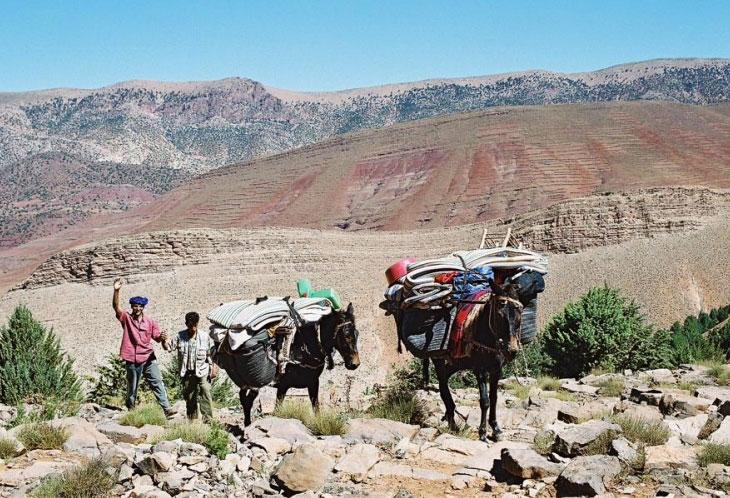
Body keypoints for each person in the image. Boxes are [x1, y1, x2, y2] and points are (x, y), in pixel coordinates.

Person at [112, 278, 174, 417]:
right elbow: (116, 307)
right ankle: (131, 410)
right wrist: (116, 290)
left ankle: (167, 408)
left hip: (148, 357)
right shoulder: (126, 318)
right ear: (132, 306)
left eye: (140, 306)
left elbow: (157, 338)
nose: (137, 308)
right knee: (132, 386)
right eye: (135, 306)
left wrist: (163, 338)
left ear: (143, 307)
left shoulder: (150, 322)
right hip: (132, 358)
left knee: (157, 381)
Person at [164, 312, 217, 421]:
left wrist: (214, 368)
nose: (193, 328)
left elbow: (210, 354)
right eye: (190, 325)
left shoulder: (204, 336)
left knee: (205, 392)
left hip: (202, 370)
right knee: (190, 397)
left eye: (195, 325)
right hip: (188, 372)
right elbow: (168, 347)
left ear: (197, 324)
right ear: (186, 324)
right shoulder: (180, 336)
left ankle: (208, 420)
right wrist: (163, 340)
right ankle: (192, 422)